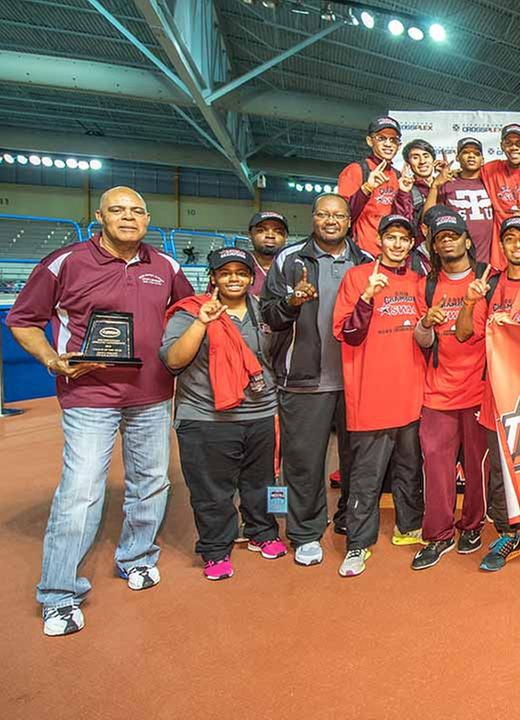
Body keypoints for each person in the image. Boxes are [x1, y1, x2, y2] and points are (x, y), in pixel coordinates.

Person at [7, 186, 194, 636]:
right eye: (118, 210)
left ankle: (136, 557)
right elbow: (23, 319)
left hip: (151, 394)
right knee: (81, 491)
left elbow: (187, 311)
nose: (128, 218)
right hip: (89, 396)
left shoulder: (165, 266)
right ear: (99, 215)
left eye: (136, 212)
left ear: (148, 219)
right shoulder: (66, 261)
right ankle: (58, 593)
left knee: (150, 481)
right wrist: (54, 360)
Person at [260, 194, 372, 568]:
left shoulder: (367, 262)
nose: (330, 221)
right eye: (323, 214)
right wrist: (292, 302)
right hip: (304, 379)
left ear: (348, 221)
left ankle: (347, 518)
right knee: (304, 462)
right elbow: (269, 315)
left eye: (338, 215)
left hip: (357, 380)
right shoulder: (288, 260)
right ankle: (306, 532)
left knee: (356, 461)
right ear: (313, 218)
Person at [161, 247, 281, 581]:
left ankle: (264, 532)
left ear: (250, 278)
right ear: (212, 277)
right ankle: (215, 550)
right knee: (212, 489)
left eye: (240, 273)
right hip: (206, 416)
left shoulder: (262, 311)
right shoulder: (189, 312)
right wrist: (202, 323)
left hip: (260, 412)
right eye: (225, 272)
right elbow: (173, 360)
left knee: (264, 482)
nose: (233, 278)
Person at [456, 216, 520, 573]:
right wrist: (469, 303)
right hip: (496, 395)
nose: (516, 245)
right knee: (499, 471)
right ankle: (507, 532)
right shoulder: (490, 284)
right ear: (502, 245)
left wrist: (518, 333)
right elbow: (463, 334)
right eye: (509, 239)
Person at [330, 214, 428, 577]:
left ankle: (408, 526)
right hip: (370, 395)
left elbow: (424, 335)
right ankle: (358, 543)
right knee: (366, 476)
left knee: (408, 468)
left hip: (410, 393)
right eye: (392, 237)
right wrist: (368, 296)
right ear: (380, 240)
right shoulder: (357, 277)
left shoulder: (418, 282)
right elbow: (346, 332)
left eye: (405, 238)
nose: (398, 244)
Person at [411, 209, 490, 571]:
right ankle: (438, 535)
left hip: (478, 391)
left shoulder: (488, 280)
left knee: (476, 468)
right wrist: (426, 323)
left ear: (466, 240)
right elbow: (422, 340)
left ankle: (472, 526)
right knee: (438, 469)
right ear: (435, 245)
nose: (447, 242)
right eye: (440, 238)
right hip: (438, 393)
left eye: (453, 235)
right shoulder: (425, 285)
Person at [338, 116, 402, 256]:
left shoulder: (398, 176)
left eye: (393, 140)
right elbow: (342, 216)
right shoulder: (356, 170)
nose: (388, 144)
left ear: (399, 145)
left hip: (391, 255)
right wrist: (366, 188)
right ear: (369, 141)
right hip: (362, 254)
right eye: (381, 138)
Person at [480, 124, 520, 268]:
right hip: (501, 256)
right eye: (509, 143)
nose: (514, 148)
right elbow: (467, 174)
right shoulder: (492, 169)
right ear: (502, 146)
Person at [430, 137, 495, 268]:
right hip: (456, 263)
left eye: (476, 153)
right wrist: (435, 186)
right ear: (458, 157)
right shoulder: (447, 183)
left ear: (482, 160)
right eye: (466, 152)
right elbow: (428, 216)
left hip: (486, 262)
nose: (471, 156)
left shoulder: (491, 182)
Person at [391, 138, 437, 244]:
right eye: (415, 157)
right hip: (421, 252)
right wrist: (403, 193)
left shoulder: (445, 186)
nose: (422, 161)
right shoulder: (408, 190)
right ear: (408, 163)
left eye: (426, 156)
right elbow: (403, 223)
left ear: (433, 159)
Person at [246, 211, 287, 294]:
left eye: (278, 232)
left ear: (285, 237)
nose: (270, 235)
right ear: (250, 234)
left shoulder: (295, 266)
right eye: (261, 230)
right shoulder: (237, 264)